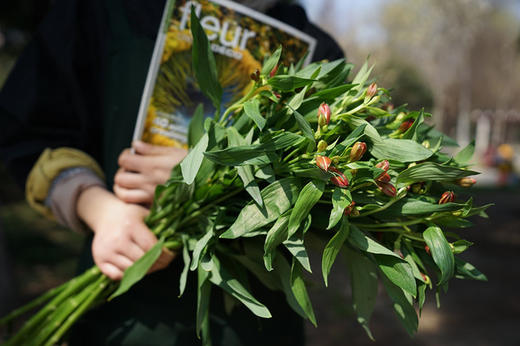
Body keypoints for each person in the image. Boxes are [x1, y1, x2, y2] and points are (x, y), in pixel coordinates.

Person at [0, 0, 344, 344]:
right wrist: (97, 208)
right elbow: (30, 127)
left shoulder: (320, 56)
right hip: (123, 314)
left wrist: (218, 174)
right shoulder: (105, 12)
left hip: (255, 325)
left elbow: (339, 200)